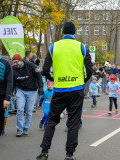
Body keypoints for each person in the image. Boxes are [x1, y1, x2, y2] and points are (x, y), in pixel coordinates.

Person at [37, 21, 92, 160]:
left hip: (59, 90)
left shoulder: (54, 46)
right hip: (76, 89)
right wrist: (82, 81)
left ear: (63, 32)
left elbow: (45, 69)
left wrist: (54, 79)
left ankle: (44, 152)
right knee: (73, 122)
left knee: (51, 121)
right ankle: (69, 154)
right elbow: (90, 70)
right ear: (74, 33)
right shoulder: (81, 46)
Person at [12, 54, 44, 136]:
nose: (16, 64)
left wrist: (41, 87)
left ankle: (25, 128)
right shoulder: (13, 69)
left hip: (32, 90)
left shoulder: (31, 65)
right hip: (20, 90)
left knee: (29, 111)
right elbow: (11, 82)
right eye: (14, 62)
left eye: (17, 62)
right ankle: (19, 129)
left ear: (21, 60)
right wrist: (9, 93)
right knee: (20, 109)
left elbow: (39, 75)